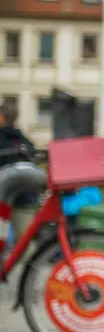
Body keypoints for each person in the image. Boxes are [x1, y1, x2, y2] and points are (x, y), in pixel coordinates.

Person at [0, 99, 38, 242]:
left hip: (3, 201)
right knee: (25, 240)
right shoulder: (23, 141)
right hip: (24, 199)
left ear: (2, 116)